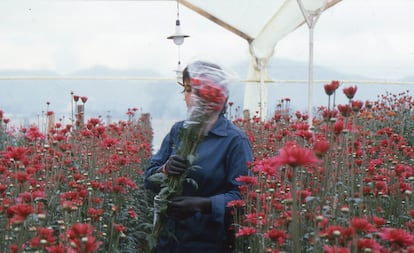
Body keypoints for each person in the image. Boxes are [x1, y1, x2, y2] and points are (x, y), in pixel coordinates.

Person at [144, 60, 253, 253]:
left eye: (197, 91)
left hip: (208, 242)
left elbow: (242, 198)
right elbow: (149, 179)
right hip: (168, 240)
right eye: (187, 90)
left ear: (216, 96)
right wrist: (165, 170)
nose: (190, 97)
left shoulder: (234, 141)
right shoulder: (178, 131)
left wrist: (203, 204)